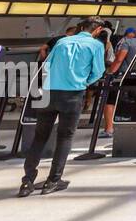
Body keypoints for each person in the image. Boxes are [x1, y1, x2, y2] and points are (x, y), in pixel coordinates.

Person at [20, 19, 106, 196]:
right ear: (97, 30)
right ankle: (53, 180)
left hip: (49, 92)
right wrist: (84, 82)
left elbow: (46, 65)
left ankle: (27, 181)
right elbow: (98, 71)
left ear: (81, 27)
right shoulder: (95, 45)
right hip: (73, 94)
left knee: (40, 136)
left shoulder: (61, 41)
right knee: (65, 137)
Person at [102, 24, 136, 135]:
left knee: (110, 101)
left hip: (121, 75)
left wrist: (110, 72)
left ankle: (109, 129)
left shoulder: (125, 42)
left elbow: (119, 59)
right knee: (134, 101)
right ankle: (132, 126)